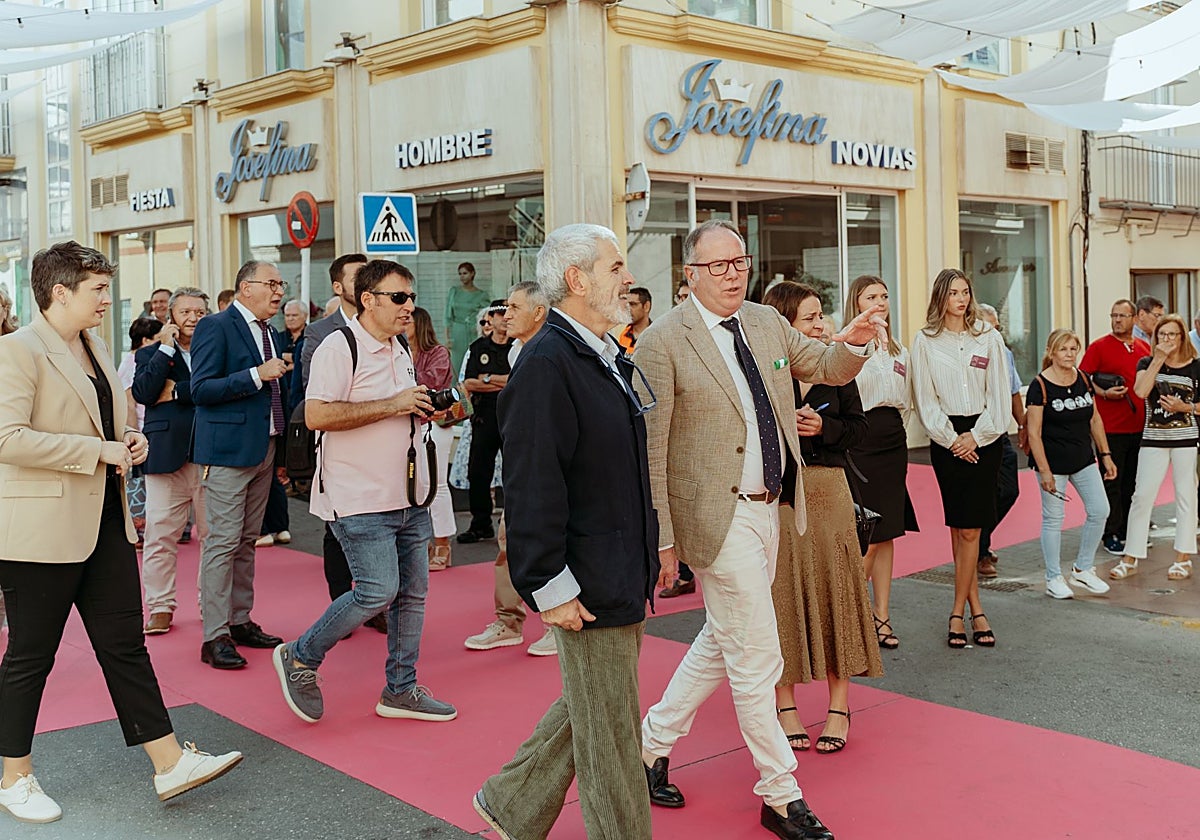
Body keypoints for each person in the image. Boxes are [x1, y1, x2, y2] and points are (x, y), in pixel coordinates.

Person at [637, 219, 886, 840]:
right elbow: (652, 450)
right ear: (690, 274)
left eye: (739, 262)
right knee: (758, 654)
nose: (732, 274)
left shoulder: (766, 321)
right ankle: (780, 795)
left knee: (723, 638)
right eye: (717, 265)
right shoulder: (663, 341)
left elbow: (825, 364)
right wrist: (662, 538)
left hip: (772, 507)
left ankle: (650, 746)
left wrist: (854, 342)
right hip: (714, 518)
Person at [0, 242, 242, 825]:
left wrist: (129, 439)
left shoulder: (96, 345)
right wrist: (98, 450)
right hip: (39, 530)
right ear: (60, 292)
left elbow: (110, 419)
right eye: (99, 289)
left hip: (106, 520)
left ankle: (169, 761)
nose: (108, 299)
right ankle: (14, 776)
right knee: (31, 656)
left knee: (125, 645)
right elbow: (7, 438)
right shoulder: (16, 350)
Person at [471, 223, 662, 840]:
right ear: (577, 279)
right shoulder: (548, 364)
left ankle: (511, 803)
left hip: (616, 567)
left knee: (598, 705)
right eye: (615, 267)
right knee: (612, 741)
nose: (628, 279)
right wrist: (549, 585)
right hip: (586, 577)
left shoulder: (597, 352)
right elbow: (531, 484)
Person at [272, 259, 456, 725]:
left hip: (409, 494)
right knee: (377, 592)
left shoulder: (399, 346)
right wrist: (393, 404)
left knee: (413, 595)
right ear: (368, 299)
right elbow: (316, 415)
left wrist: (420, 409)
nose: (408, 306)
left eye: (412, 297)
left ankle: (401, 689)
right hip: (358, 496)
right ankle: (300, 655)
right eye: (399, 297)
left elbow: (396, 408)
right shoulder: (339, 346)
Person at [764, 281, 882, 757]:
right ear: (784, 324)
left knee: (839, 594)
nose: (819, 325)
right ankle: (785, 705)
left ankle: (839, 706)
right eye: (809, 318)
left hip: (830, 492)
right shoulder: (766, 371)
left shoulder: (837, 367)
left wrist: (823, 427)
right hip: (781, 497)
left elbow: (859, 428)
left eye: (819, 315)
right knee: (783, 598)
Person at [189, 260, 288, 670]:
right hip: (228, 452)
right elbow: (200, 389)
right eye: (272, 283)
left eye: (281, 284)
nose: (279, 291)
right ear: (246, 287)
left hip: (265, 447)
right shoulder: (215, 326)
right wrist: (256, 375)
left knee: (247, 540)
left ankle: (240, 620)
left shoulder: (271, 332)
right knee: (223, 542)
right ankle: (214, 636)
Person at [910, 269, 1009, 650]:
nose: (961, 299)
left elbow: (999, 396)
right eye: (953, 293)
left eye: (965, 292)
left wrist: (977, 437)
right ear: (941, 297)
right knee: (959, 527)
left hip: (985, 436)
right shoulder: (925, 341)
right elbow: (925, 400)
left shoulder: (989, 337)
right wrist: (953, 439)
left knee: (971, 529)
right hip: (946, 439)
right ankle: (975, 608)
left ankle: (959, 611)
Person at [463, 281, 557, 657]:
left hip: (548, 463)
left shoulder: (552, 349)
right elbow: (472, 383)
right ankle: (508, 621)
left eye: (513, 308)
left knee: (550, 544)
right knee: (508, 541)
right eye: (503, 310)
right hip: (517, 460)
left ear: (538, 312)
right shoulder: (516, 350)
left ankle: (555, 625)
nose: (503, 316)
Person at [297, 254, 384, 632]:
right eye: (356, 276)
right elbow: (315, 393)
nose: (365, 281)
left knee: (380, 527)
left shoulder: (386, 324)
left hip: (382, 448)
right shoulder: (320, 333)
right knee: (337, 528)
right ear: (338, 286)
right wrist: (373, 404)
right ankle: (341, 606)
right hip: (337, 446)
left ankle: (374, 603)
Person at [843, 275, 917, 650]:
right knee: (867, 538)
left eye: (884, 296)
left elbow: (906, 402)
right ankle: (847, 618)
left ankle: (881, 617)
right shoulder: (846, 345)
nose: (880, 302)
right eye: (871, 296)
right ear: (856, 303)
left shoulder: (900, 350)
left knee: (888, 534)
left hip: (893, 442)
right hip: (862, 442)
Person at [132, 287, 210, 635]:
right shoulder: (151, 354)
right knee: (159, 535)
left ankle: (212, 604)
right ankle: (160, 606)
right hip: (165, 455)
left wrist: (177, 391)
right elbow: (145, 393)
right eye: (186, 312)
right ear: (171, 316)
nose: (193, 318)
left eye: (200, 312)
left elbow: (219, 389)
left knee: (214, 537)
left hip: (211, 454)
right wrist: (165, 347)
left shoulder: (216, 350)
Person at [1025, 329, 1115, 599]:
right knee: (1053, 519)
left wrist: (1105, 454)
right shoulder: (1039, 386)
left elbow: (1095, 419)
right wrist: (1045, 471)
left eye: (1073, 349)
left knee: (1100, 510)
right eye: (1063, 349)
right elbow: (1033, 433)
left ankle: (1083, 568)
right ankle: (1053, 577)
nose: (1069, 354)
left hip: (1083, 459)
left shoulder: (1084, 379)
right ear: (1051, 352)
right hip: (1052, 462)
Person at [1109, 314, 1200, 582]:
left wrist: (1185, 407)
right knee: (1141, 496)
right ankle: (1130, 557)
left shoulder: (1195, 366)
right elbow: (1140, 391)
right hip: (1153, 439)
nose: (1167, 339)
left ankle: (1183, 558)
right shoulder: (1147, 362)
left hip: (1185, 439)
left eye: (1172, 334)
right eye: (1162, 334)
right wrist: (1159, 359)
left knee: (1186, 496)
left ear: (1182, 337)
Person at [1080, 299, 1151, 556]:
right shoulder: (1099, 347)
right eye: (1114, 315)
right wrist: (1103, 393)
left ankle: (1127, 531)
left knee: (1133, 482)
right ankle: (1110, 533)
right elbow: (1082, 378)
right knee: (1112, 481)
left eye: (1122, 315)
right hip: (1110, 429)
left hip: (1139, 428)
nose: (1117, 320)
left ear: (1134, 318)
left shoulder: (1143, 347)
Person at [975, 303, 1026, 579]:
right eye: (989, 328)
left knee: (1009, 491)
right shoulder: (970, 354)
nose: (995, 333)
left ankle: (979, 539)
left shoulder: (1005, 353)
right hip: (976, 433)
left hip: (1000, 433)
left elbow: (1014, 391)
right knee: (984, 492)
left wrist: (1023, 425)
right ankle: (980, 551)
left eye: (998, 328)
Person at [457, 301, 511, 544]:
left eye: (506, 313)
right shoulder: (479, 348)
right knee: (478, 472)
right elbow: (469, 382)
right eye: (499, 314)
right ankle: (481, 524)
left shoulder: (519, 346)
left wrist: (487, 378)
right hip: (484, 416)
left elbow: (517, 380)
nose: (504, 318)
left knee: (515, 471)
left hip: (512, 415)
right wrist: (502, 381)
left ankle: (512, 522)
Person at [406, 306, 455, 571]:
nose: (402, 324)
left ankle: (443, 544)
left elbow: (429, 384)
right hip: (409, 425)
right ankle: (422, 543)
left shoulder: (437, 353)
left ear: (419, 325)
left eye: (408, 321)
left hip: (436, 424)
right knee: (416, 486)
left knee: (437, 485)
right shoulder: (398, 352)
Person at [445, 261, 490, 374]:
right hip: (457, 331)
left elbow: (487, 316)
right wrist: (448, 338)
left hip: (473, 331)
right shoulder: (454, 291)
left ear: (472, 274)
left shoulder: (481, 295)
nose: (462, 276)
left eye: (465, 273)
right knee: (456, 363)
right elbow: (447, 316)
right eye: (460, 274)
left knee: (473, 360)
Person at [616, 286, 652, 353]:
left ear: (646, 306)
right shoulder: (620, 334)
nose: (628, 308)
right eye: (626, 305)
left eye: (633, 304)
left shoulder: (656, 336)